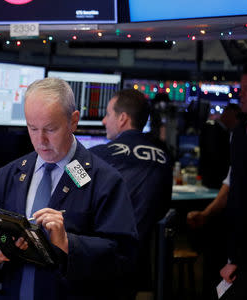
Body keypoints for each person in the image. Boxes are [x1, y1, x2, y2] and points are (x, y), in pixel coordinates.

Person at [0, 77, 138, 300]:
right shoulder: (10, 174)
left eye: (50, 128)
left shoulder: (103, 179)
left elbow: (123, 254)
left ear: (73, 121)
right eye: (32, 128)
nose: (41, 141)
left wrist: (68, 244)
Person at [186, 65, 247, 300]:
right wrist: (206, 214)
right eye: (241, 88)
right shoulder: (240, 131)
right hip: (233, 234)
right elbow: (231, 181)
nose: (241, 94)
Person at [89, 89, 173, 296]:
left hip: (99, 261)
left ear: (122, 118)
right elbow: (162, 209)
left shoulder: (97, 155)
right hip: (141, 265)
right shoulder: (164, 159)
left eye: (108, 114)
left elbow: (72, 190)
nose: (103, 121)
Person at [198, 103, 241, 189]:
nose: (238, 122)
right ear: (229, 114)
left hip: (217, 182)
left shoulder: (224, 131)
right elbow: (215, 157)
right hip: (214, 182)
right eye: (237, 117)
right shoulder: (213, 130)